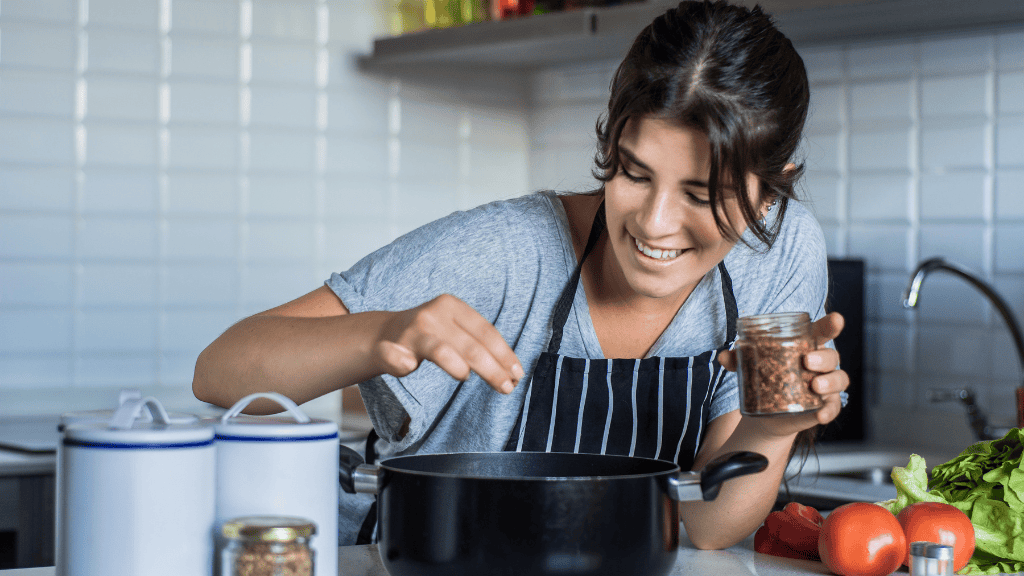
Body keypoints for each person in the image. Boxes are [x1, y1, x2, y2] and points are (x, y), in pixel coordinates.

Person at [193, 0, 850, 551]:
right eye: (634, 173)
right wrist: (381, 333)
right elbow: (220, 369)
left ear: (773, 191)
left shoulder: (782, 254)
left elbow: (702, 525)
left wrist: (773, 428)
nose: (654, 223)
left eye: (701, 195)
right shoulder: (511, 248)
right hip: (409, 559)